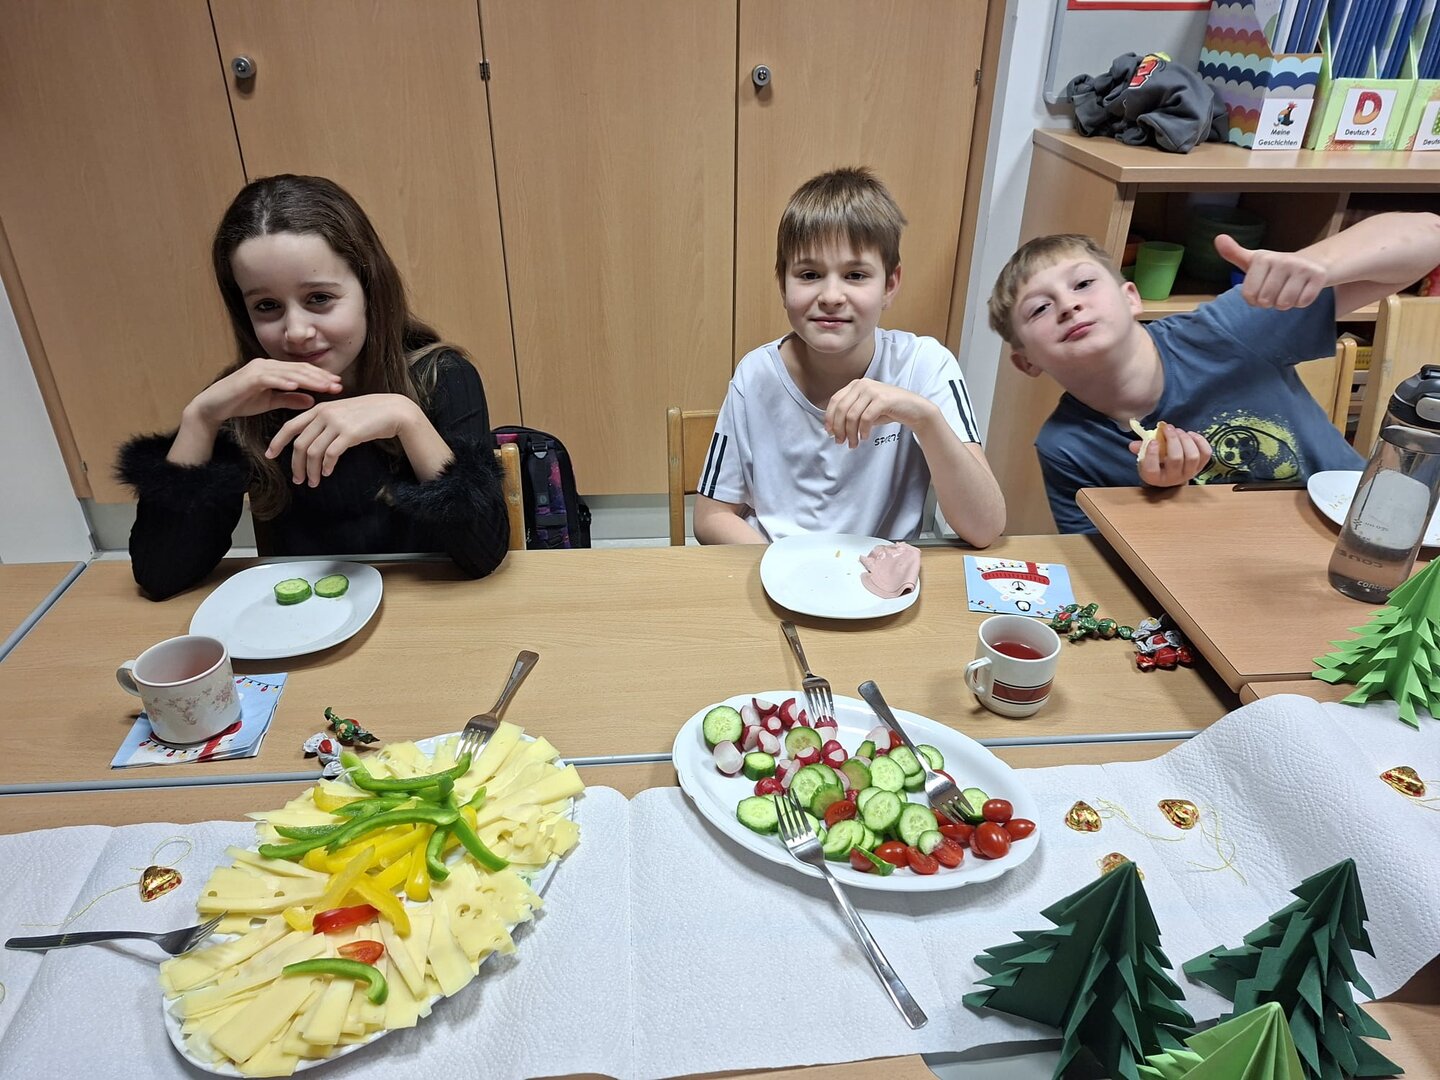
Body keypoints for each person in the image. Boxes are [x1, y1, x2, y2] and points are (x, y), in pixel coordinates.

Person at [117, 175, 509, 599]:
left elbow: (483, 555)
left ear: (369, 289)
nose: (297, 332)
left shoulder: (441, 376)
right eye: (267, 306)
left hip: (424, 607)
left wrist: (408, 419)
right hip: (299, 615)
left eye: (319, 298)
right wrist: (200, 419)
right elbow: (161, 575)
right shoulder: (247, 401)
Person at [990, 212, 1440, 533]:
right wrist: (1160, 496)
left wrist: (1321, 264)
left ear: (1131, 297)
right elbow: (1102, 565)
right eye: (1040, 308)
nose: (1069, 305)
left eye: (1084, 283)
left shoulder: (1231, 328)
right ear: (1027, 361)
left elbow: (1429, 236)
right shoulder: (1066, 447)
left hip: (1370, 529)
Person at [693, 167, 1005, 546]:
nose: (831, 296)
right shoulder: (755, 375)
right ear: (783, 285)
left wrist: (924, 418)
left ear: (890, 284)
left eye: (855, 275)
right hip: (773, 563)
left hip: (881, 573)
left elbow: (985, 527)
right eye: (809, 274)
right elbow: (711, 516)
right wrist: (780, 566)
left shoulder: (924, 365)